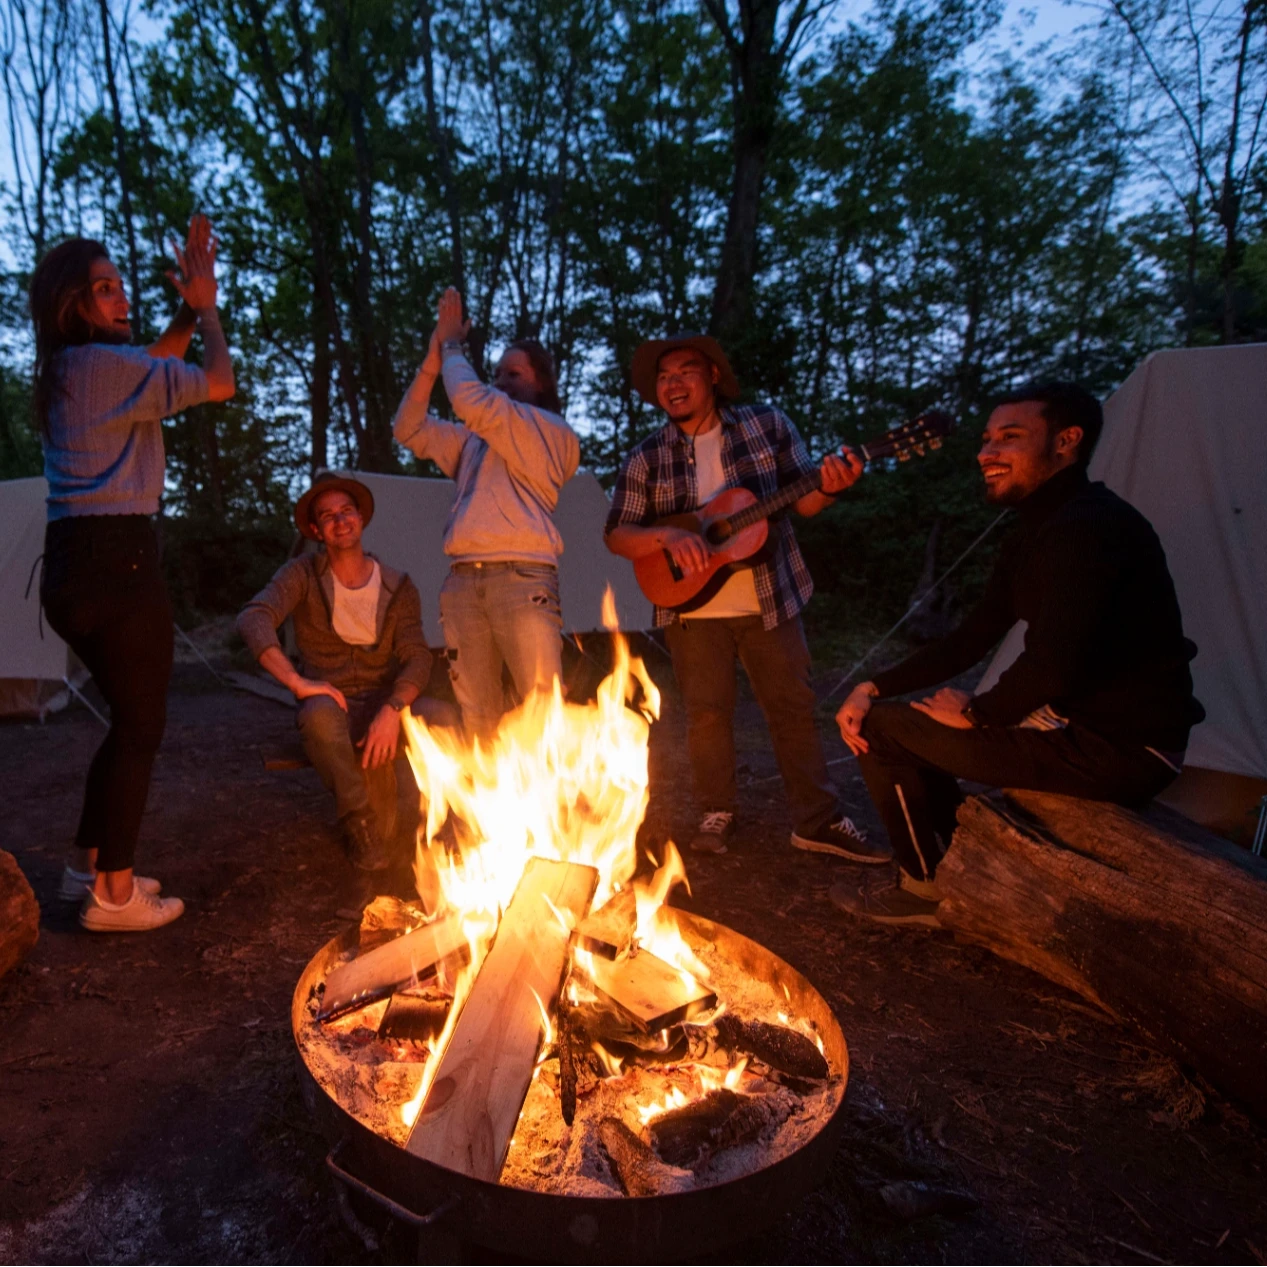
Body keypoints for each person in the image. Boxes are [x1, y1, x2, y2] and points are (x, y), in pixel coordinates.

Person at [834, 382, 1205, 927]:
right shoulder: (1038, 529)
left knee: (885, 732)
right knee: (895, 717)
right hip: (1081, 726)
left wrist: (979, 714)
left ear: (1066, 441)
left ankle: (922, 886)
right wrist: (873, 686)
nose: (987, 453)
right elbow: (973, 635)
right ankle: (958, 858)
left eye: (1009, 438)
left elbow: (1055, 662)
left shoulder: (1087, 525)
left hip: (1122, 748)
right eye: (986, 440)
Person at [604, 332, 888, 861]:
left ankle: (817, 820)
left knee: (792, 709)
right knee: (707, 715)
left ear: (713, 374)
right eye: (663, 378)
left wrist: (829, 485)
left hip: (770, 599)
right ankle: (717, 809)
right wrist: (668, 536)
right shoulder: (646, 456)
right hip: (688, 610)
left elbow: (803, 503)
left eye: (685, 371)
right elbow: (618, 534)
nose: (673, 384)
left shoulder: (767, 425)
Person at [34, 216, 235, 932]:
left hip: (69, 566)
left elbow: (154, 363)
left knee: (126, 724)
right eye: (103, 290)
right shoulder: (110, 370)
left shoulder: (71, 371)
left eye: (120, 287)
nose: (121, 298)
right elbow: (217, 381)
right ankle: (114, 895)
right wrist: (207, 308)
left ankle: (85, 867)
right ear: (71, 305)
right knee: (142, 725)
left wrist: (183, 311)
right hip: (118, 564)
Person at [391, 289, 580, 740]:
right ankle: (488, 811)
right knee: (476, 712)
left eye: (513, 373)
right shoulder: (474, 441)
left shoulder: (552, 433)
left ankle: (546, 810)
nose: (501, 380)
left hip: (524, 579)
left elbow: (472, 401)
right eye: (496, 373)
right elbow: (408, 428)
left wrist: (453, 344)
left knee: (539, 709)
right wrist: (434, 361)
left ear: (542, 383)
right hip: (462, 582)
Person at [236, 473, 435, 873]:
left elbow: (418, 656)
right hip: (335, 702)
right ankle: (358, 821)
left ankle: (432, 820)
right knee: (319, 717)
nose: (340, 521)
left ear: (361, 518)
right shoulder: (302, 576)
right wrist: (297, 681)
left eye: (347, 511)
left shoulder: (398, 586)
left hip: (384, 700)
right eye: (328, 516)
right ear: (316, 530)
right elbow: (253, 617)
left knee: (442, 717)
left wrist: (393, 708)